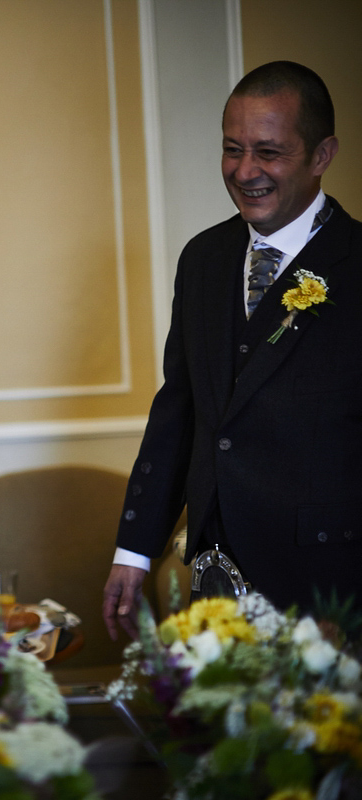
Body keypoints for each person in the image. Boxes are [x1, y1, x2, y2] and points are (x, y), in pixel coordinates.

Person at [103, 60, 361, 640]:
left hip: (330, 589)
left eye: (269, 152)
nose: (246, 172)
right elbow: (181, 412)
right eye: (232, 149)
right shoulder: (203, 259)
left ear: (322, 156)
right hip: (216, 587)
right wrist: (135, 551)